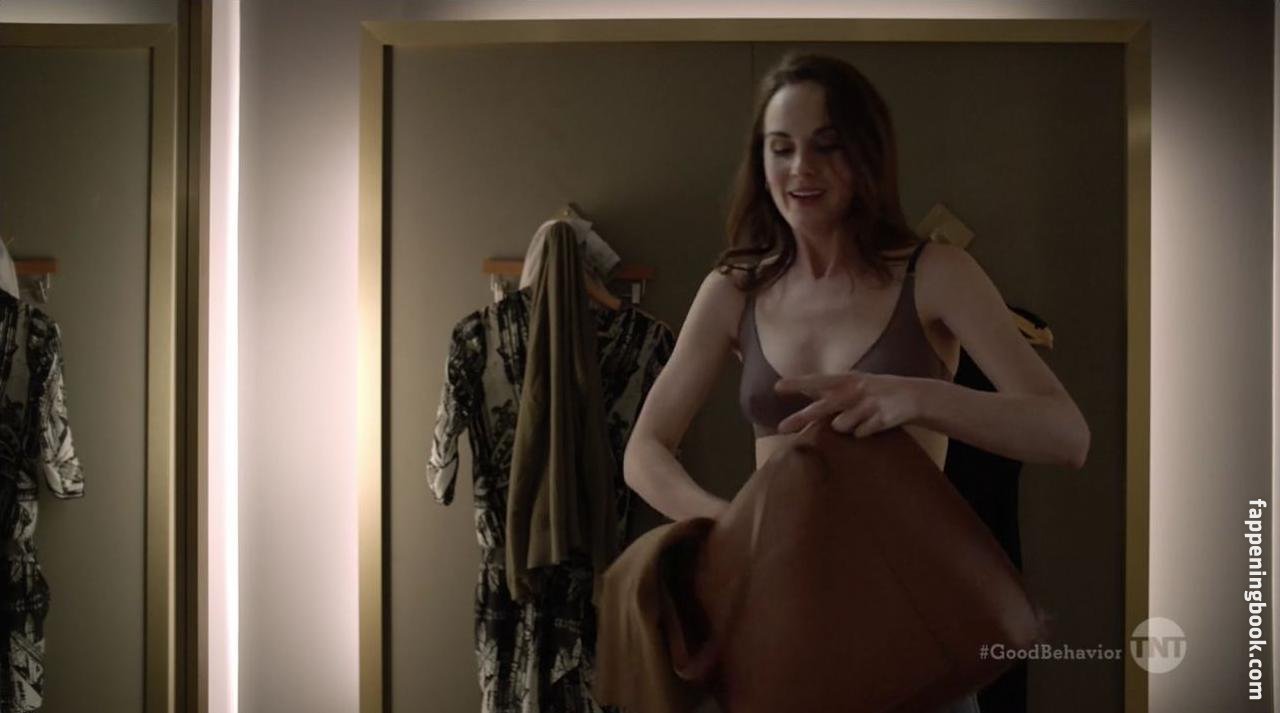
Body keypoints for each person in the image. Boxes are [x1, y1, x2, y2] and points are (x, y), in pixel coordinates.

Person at [621, 52, 1090, 712]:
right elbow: (643, 450)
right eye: (781, 148)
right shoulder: (733, 289)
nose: (800, 169)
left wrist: (914, 396)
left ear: (866, 154)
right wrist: (730, 524)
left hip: (908, 623)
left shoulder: (936, 273)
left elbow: (1067, 435)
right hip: (778, 621)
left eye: (826, 146)